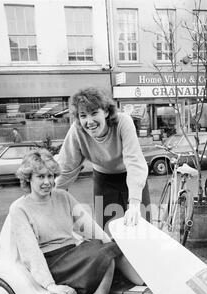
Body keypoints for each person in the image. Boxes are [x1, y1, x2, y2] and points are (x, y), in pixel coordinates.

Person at [9, 149, 144, 294]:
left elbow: (89, 226)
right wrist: (50, 285)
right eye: (41, 177)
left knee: (112, 248)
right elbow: (30, 252)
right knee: (106, 258)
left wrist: (111, 245)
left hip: (73, 253)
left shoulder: (62, 196)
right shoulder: (19, 208)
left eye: (51, 176)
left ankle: (149, 287)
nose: (48, 182)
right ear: (28, 178)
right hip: (53, 262)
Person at [55, 87, 150, 231]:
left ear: (106, 112)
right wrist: (49, 197)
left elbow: (134, 162)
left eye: (94, 113)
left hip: (130, 174)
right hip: (103, 179)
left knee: (140, 225)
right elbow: (65, 167)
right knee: (107, 229)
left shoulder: (123, 122)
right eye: (83, 116)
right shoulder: (77, 131)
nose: (89, 121)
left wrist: (135, 203)